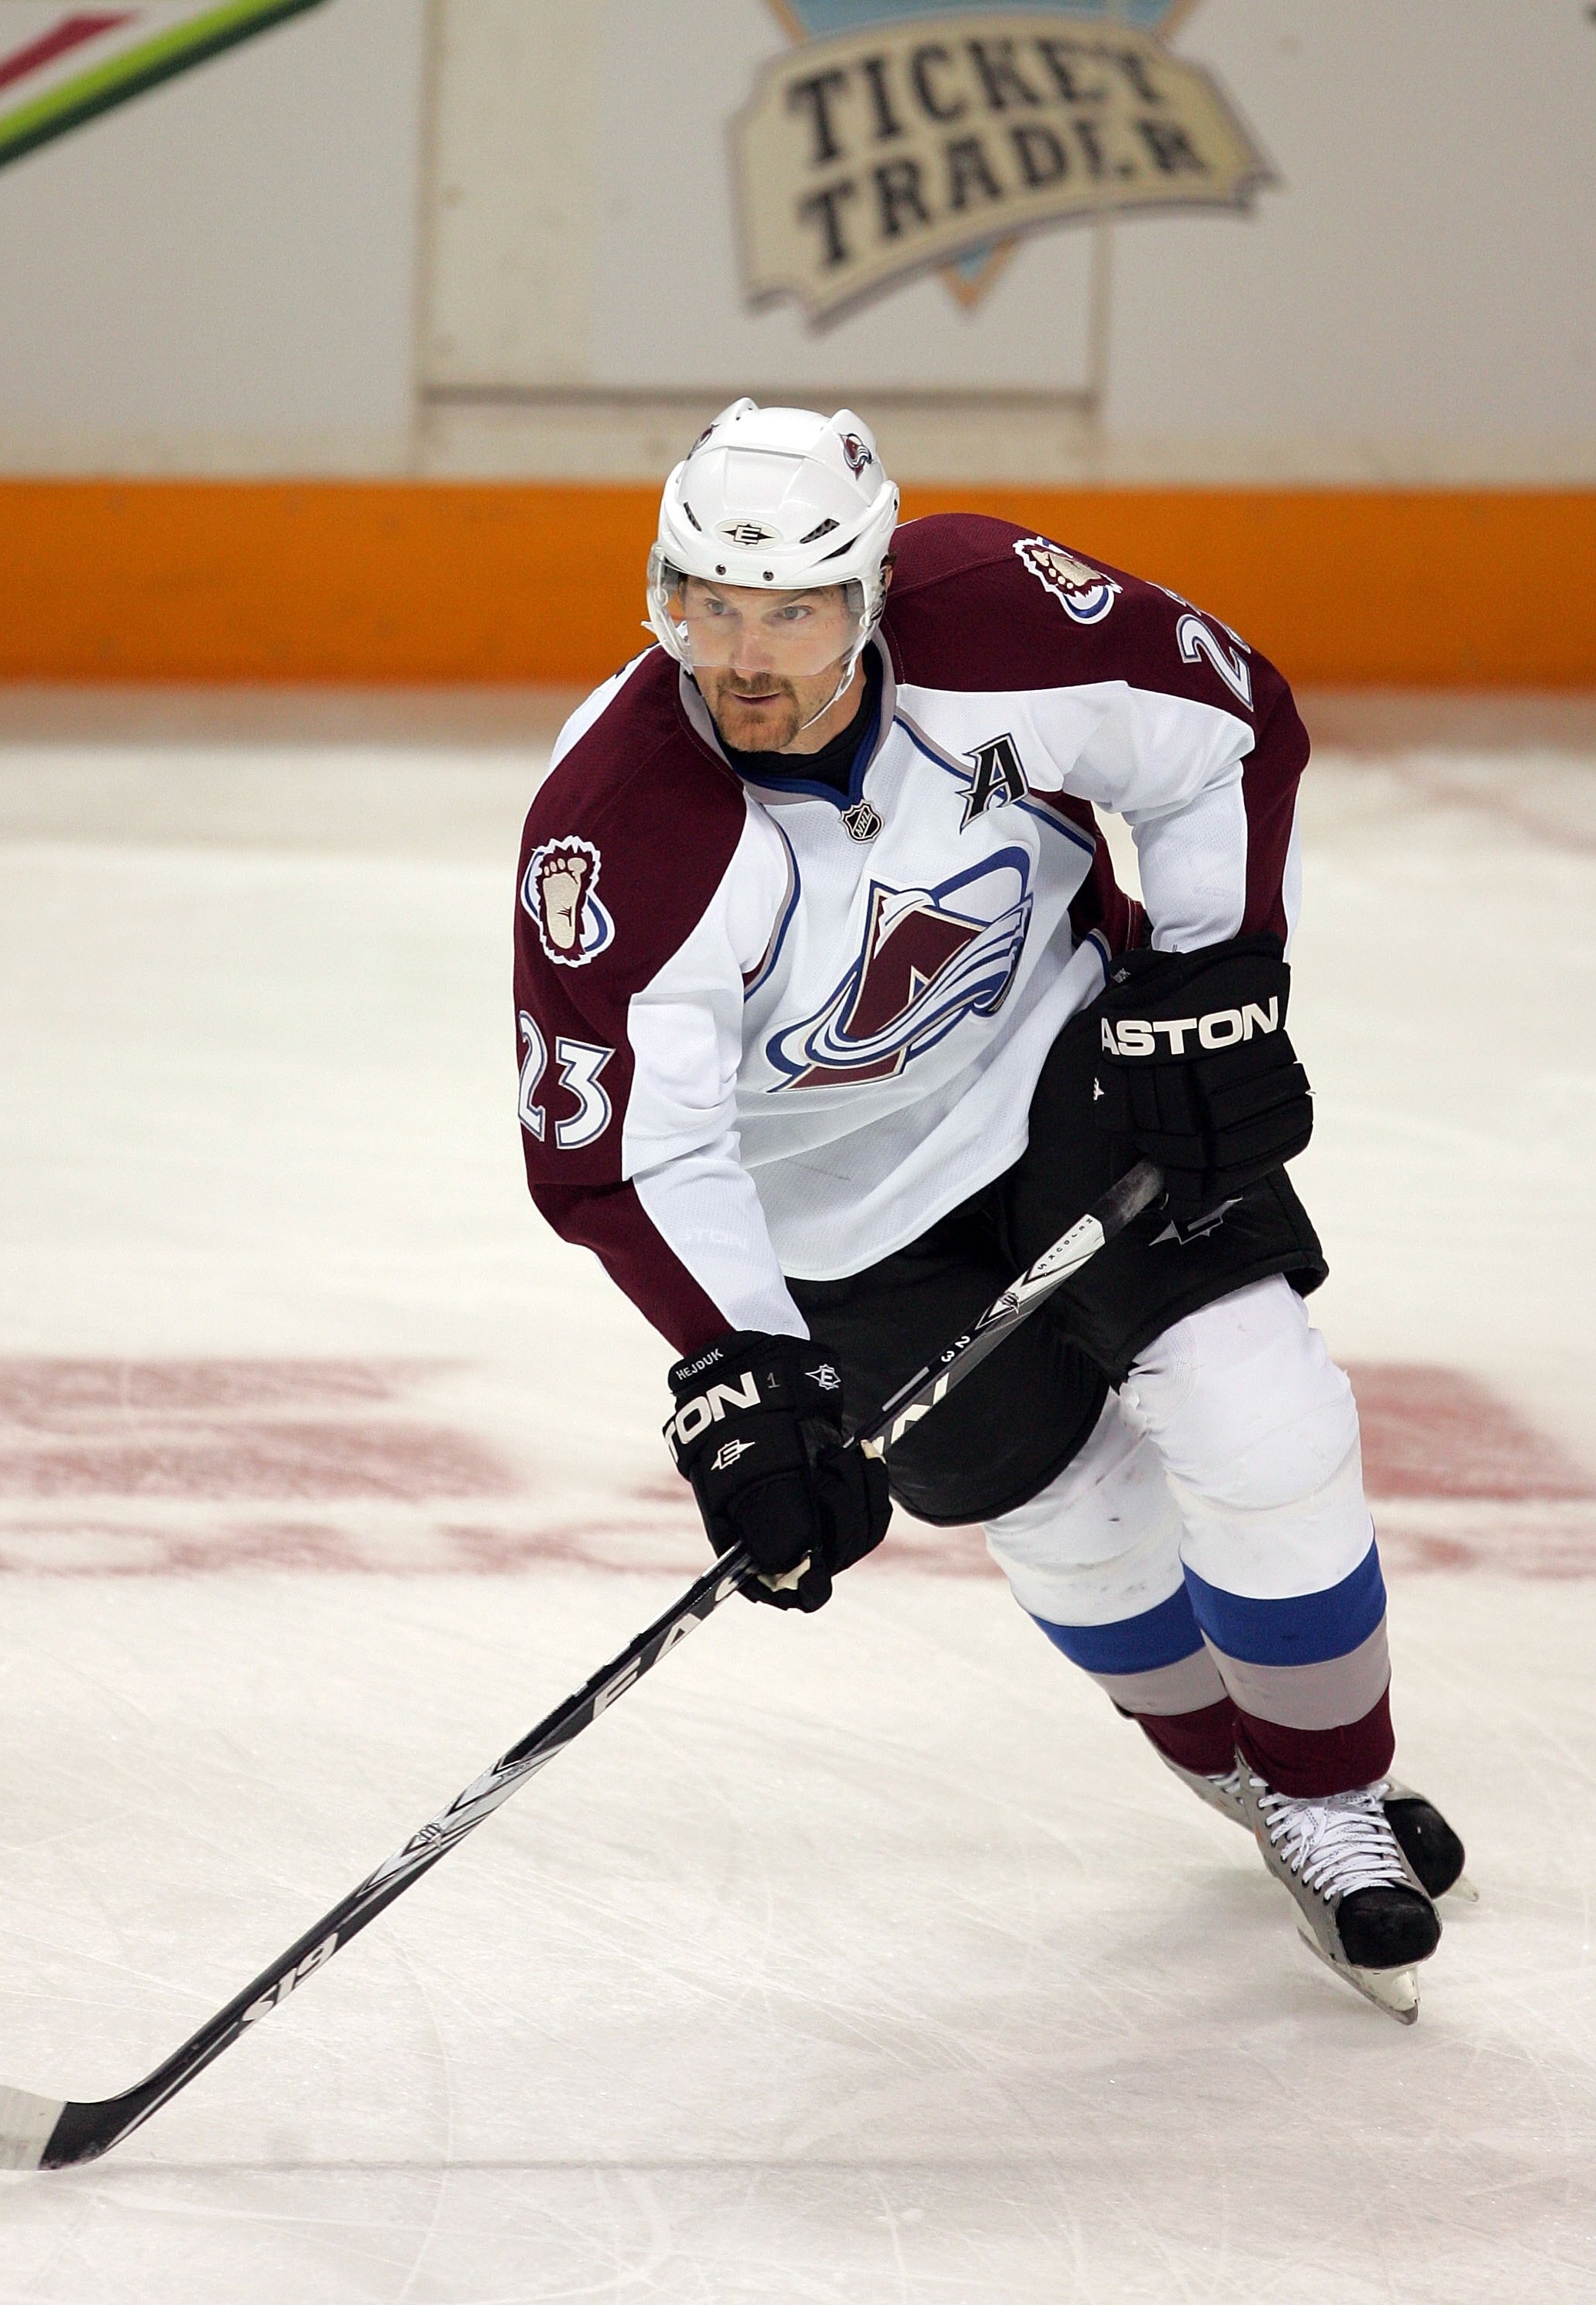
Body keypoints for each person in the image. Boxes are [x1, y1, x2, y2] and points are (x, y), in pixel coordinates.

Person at [512, 399, 1468, 2021]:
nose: (742, 659)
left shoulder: (1001, 620)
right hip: (836, 1217)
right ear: (661, 593)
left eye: (789, 613)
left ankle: (1332, 1794)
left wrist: (1215, 979)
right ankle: (1242, 1773)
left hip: (1063, 1069)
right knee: (1072, 1518)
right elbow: (626, 1155)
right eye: (707, 606)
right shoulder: (617, 830)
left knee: (1257, 1407)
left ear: (870, 594)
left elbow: (1225, 732)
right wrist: (749, 1371)